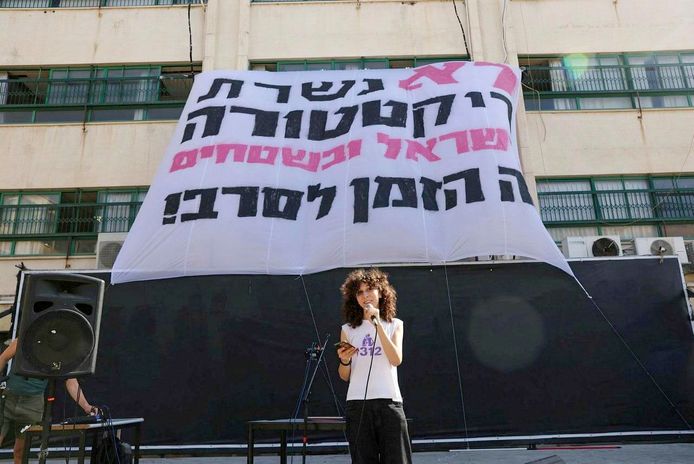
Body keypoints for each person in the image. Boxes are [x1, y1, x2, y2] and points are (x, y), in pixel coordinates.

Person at [337, 268, 412, 464]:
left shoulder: (394, 324)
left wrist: (377, 323)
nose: (365, 296)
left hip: (389, 402)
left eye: (369, 289)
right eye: (359, 292)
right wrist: (344, 360)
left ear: (381, 292)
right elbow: (345, 375)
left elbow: (395, 359)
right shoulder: (347, 329)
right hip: (358, 403)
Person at [0, 339, 97, 464]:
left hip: (33, 404)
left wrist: (86, 406)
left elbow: (71, 381)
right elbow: (2, 358)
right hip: (9, 397)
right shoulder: (24, 339)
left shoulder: (60, 352)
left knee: (20, 451)